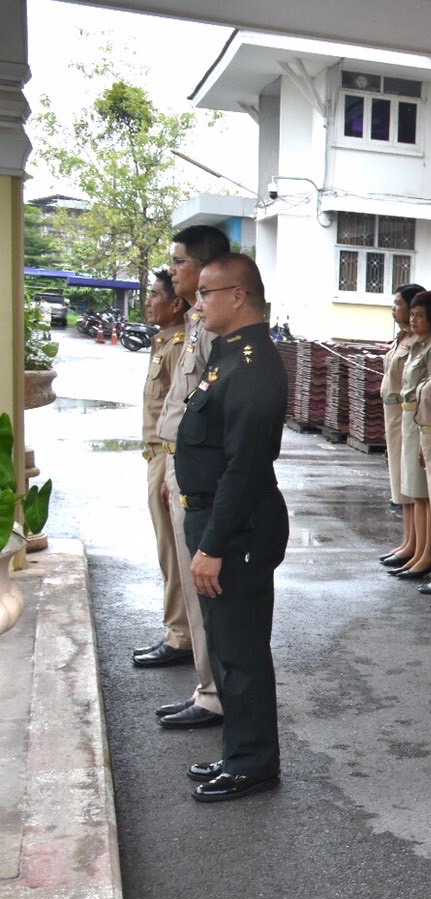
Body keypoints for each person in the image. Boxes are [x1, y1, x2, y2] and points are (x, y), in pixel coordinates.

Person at [178, 254, 290, 802]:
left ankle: (252, 763)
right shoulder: (228, 358)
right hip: (216, 516)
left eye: (206, 292)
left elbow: (243, 468)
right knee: (226, 645)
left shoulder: (249, 366)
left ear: (238, 296)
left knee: (242, 649)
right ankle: (238, 750)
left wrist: (213, 545)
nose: (197, 304)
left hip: (236, 527)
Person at [147, 225, 230, 735]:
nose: (172, 269)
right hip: (180, 467)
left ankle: (216, 693)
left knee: (209, 594)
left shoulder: (219, 330)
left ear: (203, 268)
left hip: (202, 476)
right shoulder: (197, 321)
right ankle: (206, 686)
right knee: (190, 583)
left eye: (178, 261)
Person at [135, 269, 195, 675]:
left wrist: (172, 470)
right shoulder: (163, 342)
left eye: (155, 295)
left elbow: (183, 414)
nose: (148, 301)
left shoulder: (178, 347)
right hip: (157, 456)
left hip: (167, 457)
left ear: (176, 303)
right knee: (167, 550)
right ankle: (179, 629)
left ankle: (180, 636)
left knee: (173, 552)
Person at [389, 291, 431, 581]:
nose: (413, 320)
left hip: (421, 419)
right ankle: (414, 548)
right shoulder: (417, 345)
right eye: (411, 314)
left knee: (423, 493)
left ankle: (426, 555)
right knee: (413, 489)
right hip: (410, 417)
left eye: (419, 315)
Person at [378, 283, 427, 570]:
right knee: (401, 480)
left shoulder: (420, 343)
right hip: (393, 413)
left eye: (399, 303)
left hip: (405, 412)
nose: (395, 309)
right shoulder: (403, 339)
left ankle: (417, 546)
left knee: (411, 483)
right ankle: (409, 541)